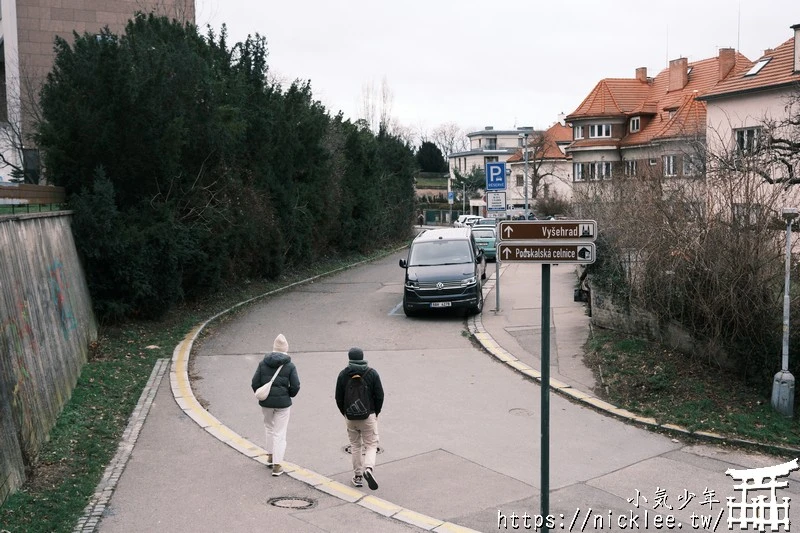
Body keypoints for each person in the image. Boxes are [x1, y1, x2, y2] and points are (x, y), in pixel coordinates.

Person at [335, 347, 384, 490]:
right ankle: (368, 469)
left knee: (355, 445)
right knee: (371, 445)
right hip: (368, 415)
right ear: (363, 358)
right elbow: (379, 395)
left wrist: (345, 413)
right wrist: (376, 413)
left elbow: (338, 397)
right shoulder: (372, 373)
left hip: (350, 416)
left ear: (349, 358)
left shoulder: (343, 374)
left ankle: (357, 477)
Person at [251, 333, 300, 477]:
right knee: (280, 432)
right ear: (286, 349)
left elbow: (254, 382)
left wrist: (263, 394)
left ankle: (270, 456)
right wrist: (289, 395)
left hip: (266, 403)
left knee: (269, 427)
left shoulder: (263, 363)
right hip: (283, 404)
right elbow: (296, 385)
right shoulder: (289, 365)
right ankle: (277, 465)